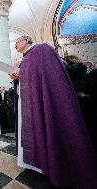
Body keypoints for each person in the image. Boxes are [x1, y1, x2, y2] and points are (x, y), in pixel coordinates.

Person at [9, 35, 97, 188]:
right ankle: (34, 162)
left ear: (26, 40)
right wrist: (16, 77)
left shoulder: (42, 49)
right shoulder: (24, 58)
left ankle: (48, 163)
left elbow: (49, 76)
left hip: (40, 101)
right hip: (28, 103)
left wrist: (21, 73)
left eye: (17, 41)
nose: (15, 44)